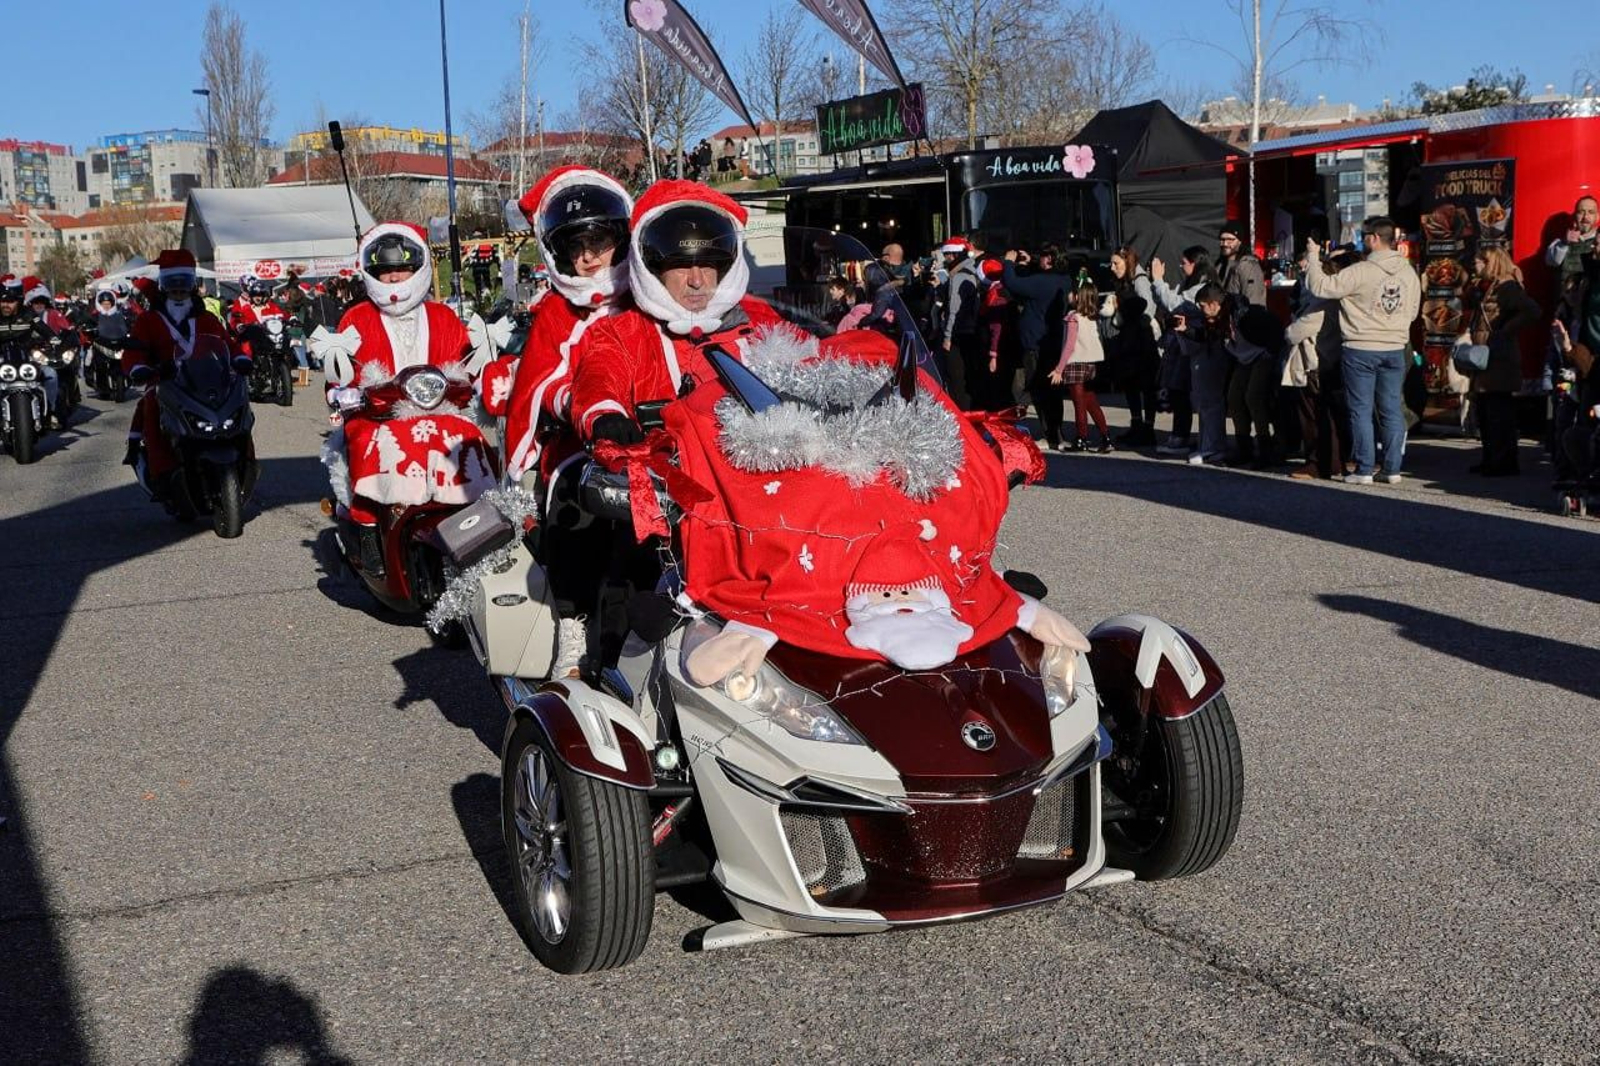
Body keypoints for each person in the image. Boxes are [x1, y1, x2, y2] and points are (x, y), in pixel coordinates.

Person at [570, 180, 783, 671]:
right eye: (681, 266)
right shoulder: (622, 331)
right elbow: (597, 378)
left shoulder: (759, 320)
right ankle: (617, 700)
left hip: (762, 501)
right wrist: (606, 417)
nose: (696, 281)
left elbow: (817, 362)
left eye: (708, 265)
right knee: (625, 596)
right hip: (665, 511)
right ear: (652, 269)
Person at [489, 166, 634, 679]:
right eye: (577, 245)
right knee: (579, 500)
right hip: (578, 443)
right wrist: (574, 401)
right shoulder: (556, 310)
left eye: (598, 240)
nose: (589, 256)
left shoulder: (648, 294)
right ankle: (571, 625)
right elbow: (537, 383)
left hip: (657, 438)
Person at [312, 223, 496, 573]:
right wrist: (344, 392)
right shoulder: (357, 318)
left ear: (418, 268)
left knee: (472, 442)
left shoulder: (443, 317)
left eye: (403, 268)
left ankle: (484, 516)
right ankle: (367, 529)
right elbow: (341, 375)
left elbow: (465, 366)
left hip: (440, 411)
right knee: (364, 444)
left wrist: (477, 383)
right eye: (386, 270)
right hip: (380, 416)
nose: (395, 278)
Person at [1301, 217, 1421, 485]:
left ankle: (1365, 468)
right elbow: (1413, 312)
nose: (1363, 240)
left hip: (1361, 346)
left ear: (1374, 238)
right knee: (1391, 409)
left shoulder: (1361, 271)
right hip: (1394, 346)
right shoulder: (1408, 272)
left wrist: (1313, 255)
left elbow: (1321, 286)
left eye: (1366, 235)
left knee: (1361, 410)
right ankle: (1392, 469)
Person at [121, 250, 242, 497]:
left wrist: (240, 358)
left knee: (239, 405)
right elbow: (134, 351)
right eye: (173, 289)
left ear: (191, 288)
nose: (179, 294)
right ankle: (161, 472)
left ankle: (246, 460)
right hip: (164, 380)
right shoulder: (148, 320)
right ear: (164, 288)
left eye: (183, 288)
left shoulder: (206, 318)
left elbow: (226, 342)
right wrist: (138, 367)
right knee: (152, 406)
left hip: (204, 380)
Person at [1467, 247, 1541, 476]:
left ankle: (1503, 462)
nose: (1475, 266)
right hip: (1486, 355)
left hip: (1500, 356)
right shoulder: (1488, 286)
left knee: (1499, 412)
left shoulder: (1506, 286)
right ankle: (1491, 458)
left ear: (1490, 262)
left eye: (1478, 261)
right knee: (1486, 411)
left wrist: (1505, 330)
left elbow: (1532, 310)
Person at [1284, 248, 1354, 480]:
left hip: (1315, 365)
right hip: (1332, 361)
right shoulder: (1339, 300)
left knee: (1314, 416)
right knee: (1332, 415)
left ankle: (1319, 462)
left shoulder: (1322, 303)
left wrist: (1293, 322)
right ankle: (1335, 460)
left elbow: (1294, 333)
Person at [1149, 247, 1218, 455]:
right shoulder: (1193, 285)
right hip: (1184, 347)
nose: (1181, 266)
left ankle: (1186, 439)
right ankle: (1189, 439)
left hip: (1195, 348)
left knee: (1188, 396)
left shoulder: (1201, 288)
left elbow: (1175, 304)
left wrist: (1159, 280)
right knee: (1181, 393)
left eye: (1184, 262)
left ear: (1196, 264)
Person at [1000, 244, 1069, 412]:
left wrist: (1008, 263)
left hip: (1035, 343)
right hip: (1053, 340)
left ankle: (1049, 432)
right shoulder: (1064, 279)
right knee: (1052, 389)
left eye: (1043, 255)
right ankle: (1055, 431)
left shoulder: (1043, 282)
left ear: (1050, 259)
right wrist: (1028, 263)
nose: (1040, 258)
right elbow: (1031, 284)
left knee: (1039, 389)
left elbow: (1013, 283)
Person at [1175, 283, 1233, 466]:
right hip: (1217, 365)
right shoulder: (1215, 320)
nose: (1200, 310)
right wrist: (1186, 331)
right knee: (1206, 405)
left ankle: (1214, 447)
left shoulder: (1229, 318)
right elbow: (1205, 336)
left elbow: (1212, 338)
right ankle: (1207, 444)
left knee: (1212, 405)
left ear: (1214, 304)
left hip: (1220, 366)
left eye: (1202, 306)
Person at [1107, 246, 1160, 445]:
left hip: (1141, 341)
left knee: (1146, 385)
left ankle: (1148, 428)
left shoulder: (1140, 280)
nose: (1112, 267)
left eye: (1116, 263)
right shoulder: (1124, 282)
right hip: (1129, 338)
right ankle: (1137, 424)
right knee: (1130, 384)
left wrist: (1125, 316)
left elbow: (1147, 307)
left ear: (1127, 262)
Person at [1051, 282, 1111, 451]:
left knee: (1079, 404)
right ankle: (1105, 437)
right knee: (1091, 401)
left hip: (1075, 363)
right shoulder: (1093, 317)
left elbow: (1069, 346)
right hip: (1091, 365)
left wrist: (1059, 369)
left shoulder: (1073, 317)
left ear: (1077, 297)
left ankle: (1081, 438)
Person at [937, 236, 982, 409]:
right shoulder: (972, 270)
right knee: (967, 378)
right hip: (971, 332)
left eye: (947, 254)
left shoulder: (958, 277)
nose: (945, 259)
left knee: (956, 380)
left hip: (958, 334)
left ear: (952, 255)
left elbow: (953, 310)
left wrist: (947, 337)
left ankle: (963, 418)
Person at [1547, 194, 1599, 311]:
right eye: (1581, 212)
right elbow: (1552, 262)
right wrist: (1565, 243)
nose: (1585, 217)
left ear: (1597, 217)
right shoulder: (1560, 242)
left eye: (1591, 212)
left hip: (1591, 310)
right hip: (1565, 310)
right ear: (1575, 216)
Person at [1218, 221, 1266, 309]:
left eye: (1230, 240)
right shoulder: (1220, 265)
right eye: (1222, 239)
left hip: (1245, 319)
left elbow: (1253, 300)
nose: (1225, 243)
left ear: (1239, 241)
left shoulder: (1248, 265)